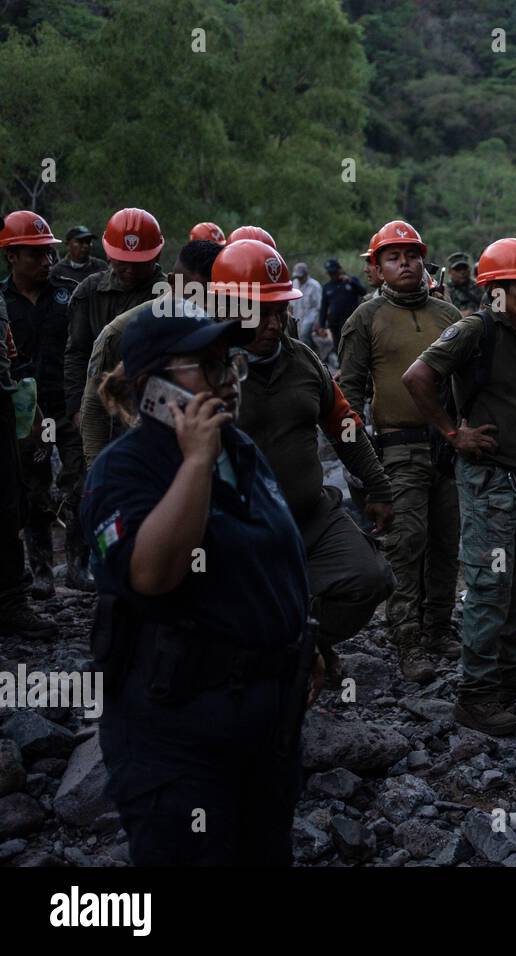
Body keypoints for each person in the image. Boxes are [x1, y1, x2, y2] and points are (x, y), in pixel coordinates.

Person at [82, 312, 313, 865]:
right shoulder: (124, 470)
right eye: (205, 366)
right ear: (152, 390)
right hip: (177, 733)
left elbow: (273, 551)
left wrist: (304, 638)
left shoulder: (239, 450)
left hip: (264, 721)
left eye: (227, 363)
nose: (227, 377)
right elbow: (154, 574)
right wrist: (194, 466)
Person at [205, 239, 393, 680]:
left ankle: (303, 638)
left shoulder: (303, 358)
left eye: (280, 310)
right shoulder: (202, 368)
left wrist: (379, 486)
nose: (273, 323)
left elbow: (343, 426)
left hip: (310, 516)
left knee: (371, 579)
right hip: (235, 529)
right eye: (260, 312)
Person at [403, 237, 516, 735]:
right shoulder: (474, 330)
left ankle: (509, 672)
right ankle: (475, 694)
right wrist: (454, 433)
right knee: (488, 584)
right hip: (490, 480)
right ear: (495, 291)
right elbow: (417, 377)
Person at [339, 220, 463, 682]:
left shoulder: (448, 316)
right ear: (376, 269)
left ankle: (438, 628)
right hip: (397, 446)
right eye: (393, 257)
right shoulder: (365, 319)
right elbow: (347, 391)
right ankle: (408, 640)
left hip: (447, 446)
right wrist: (359, 458)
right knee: (406, 543)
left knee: (446, 542)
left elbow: (466, 381)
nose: (405, 263)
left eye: (411, 255)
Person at [63, 207, 166, 591]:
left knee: (139, 486)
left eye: (137, 263)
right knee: (82, 481)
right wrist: (74, 407)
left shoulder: (167, 292)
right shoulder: (88, 291)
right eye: (122, 262)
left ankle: (135, 565)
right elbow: (74, 352)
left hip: (141, 407)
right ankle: (80, 563)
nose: (128, 270)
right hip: (91, 402)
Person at [79, 240, 223, 467]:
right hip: (145, 462)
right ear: (174, 282)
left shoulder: (225, 325)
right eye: (199, 290)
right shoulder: (123, 330)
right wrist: (96, 471)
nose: (207, 300)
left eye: (215, 291)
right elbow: (95, 404)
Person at [0, 211, 76, 597]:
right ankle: (42, 572)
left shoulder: (69, 293)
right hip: (24, 417)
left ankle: (80, 567)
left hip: (67, 407)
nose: (47, 261)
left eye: (49, 253)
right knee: (34, 492)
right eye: (36, 254)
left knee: (79, 483)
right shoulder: (2, 300)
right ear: (12, 256)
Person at [0, 296, 57, 639]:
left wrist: (33, 416)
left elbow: (12, 360)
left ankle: (9, 602)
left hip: (1, 405)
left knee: (9, 506)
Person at [321, 258, 366, 353]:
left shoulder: (351, 280)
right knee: (338, 346)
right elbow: (324, 307)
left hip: (351, 321)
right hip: (334, 323)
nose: (332, 275)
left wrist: (351, 281)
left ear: (339, 270)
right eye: (330, 273)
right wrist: (322, 325)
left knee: (353, 345)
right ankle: (340, 366)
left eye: (334, 272)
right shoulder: (327, 287)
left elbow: (363, 291)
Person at [49, 225, 107, 292]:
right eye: (80, 242)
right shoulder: (58, 271)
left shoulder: (101, 266)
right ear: (67, 244)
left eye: (88, 242)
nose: (85, 246)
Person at [290, 262, 323, 342]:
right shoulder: (294, 283)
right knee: (296, 338)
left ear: (306, 274)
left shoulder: (315, 285)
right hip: (297, 316)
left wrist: (318, 323)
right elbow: (291, 303)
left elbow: (319, 306)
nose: (299, 279)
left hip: (310, 318)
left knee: (304, 336)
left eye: (300, 276)